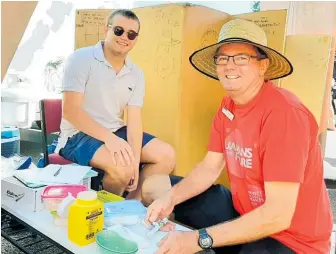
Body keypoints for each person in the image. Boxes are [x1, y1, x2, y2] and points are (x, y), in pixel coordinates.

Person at [144, 19, 333, 254]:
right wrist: (170, 199)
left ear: (262, 66)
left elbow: (278, 216)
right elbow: (210, 167)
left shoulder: (284, 114)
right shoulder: (228, 106)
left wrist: (196, 240)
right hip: (244, 211)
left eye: (241, 58)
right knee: (155, 187)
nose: (229, 66)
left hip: (291, 239)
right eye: (223, 58)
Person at [55, 9, 175, 200]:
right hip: (77, 135)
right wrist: (111, 140)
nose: (124, 37)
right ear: (106, 30)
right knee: (122, 166)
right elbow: (71, 112)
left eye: (131, 34)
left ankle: (129, 207)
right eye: (118, 30)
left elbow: (134, 121)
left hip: (115, 130)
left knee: (166, 155)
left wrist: (135, 162)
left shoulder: (136, 74)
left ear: (136, 38)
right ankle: (106, 212)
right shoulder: (81, 59)